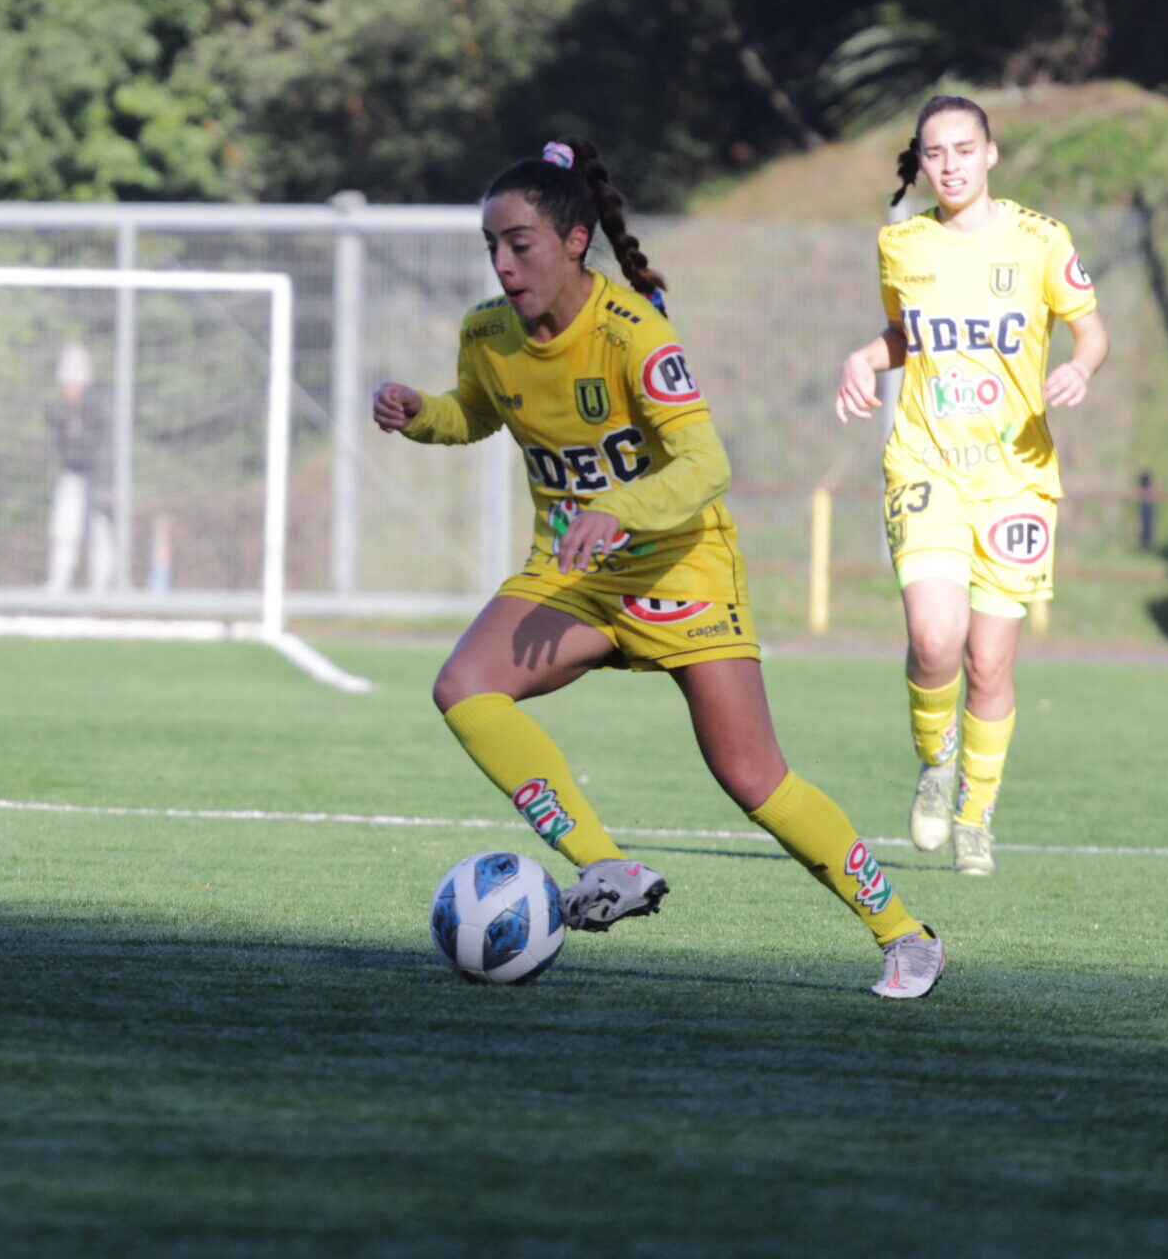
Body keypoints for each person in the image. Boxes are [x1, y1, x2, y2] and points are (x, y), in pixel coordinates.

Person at [377, 138, 946, 999]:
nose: (501, 263)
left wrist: (616, 509)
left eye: (518, 244)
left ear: (573, 242)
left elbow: (705, 466)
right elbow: (477, 414)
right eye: (489, 246)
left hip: (682, 570)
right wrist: (425, 414)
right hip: (573, 571)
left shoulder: (634, 332)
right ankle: (608, 867)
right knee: (464, 685)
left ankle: (905, 934)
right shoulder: (487, 333)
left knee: (754, 777)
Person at [834, 95, 1110, 878]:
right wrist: (863, 359)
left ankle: (976, 817)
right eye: (934, 153)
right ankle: (935, 762)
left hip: (1017, 478)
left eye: (963, 149)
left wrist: (1079, 366)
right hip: (925, 466)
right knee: (933, 638)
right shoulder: (903, 246)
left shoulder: (1040, 241)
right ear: (919, 163)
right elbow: (905, 335)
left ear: (991, 153)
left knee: (989, 662)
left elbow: (1091, 328)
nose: (949, 164)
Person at [44, 340, 116, 593]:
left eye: (72, 383)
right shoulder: (61, 412)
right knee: (63, 528)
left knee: (99, 531)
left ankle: (100, 586)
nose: (67, 389)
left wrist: (109, 485)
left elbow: (106, 450)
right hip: (73, 475)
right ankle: (58, 582)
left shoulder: (99, 410)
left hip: (98, 477)